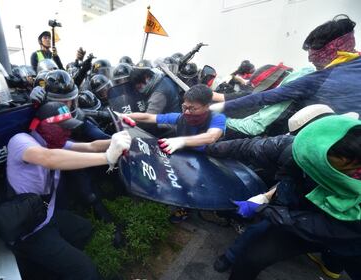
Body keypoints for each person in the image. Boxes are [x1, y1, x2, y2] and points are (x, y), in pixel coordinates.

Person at [210, 113, 361, 280]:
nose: (352, 173)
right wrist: (208, 148)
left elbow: (334, 227)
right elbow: (249, 147)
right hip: (296, 218)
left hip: (349, 237)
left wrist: (265, 210)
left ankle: (332, 262)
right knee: (252, 259)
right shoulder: (304, 149)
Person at [7, 101, 131, 280]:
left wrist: (118, 140)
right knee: (85, 271)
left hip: (47, 215)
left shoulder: (54, 143)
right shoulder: (20, 141)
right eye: (63, 127)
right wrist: (107, 158)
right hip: (29, 229)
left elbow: (91, 146)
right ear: (43, 126)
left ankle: (54, 266)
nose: (68, 132)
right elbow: (48, 158)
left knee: (85, 229)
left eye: (69, 127)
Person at [210, 15, 361, 117]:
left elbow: (263, 97)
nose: (310, 60)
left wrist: (211, 109)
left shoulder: (319, 79)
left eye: (314, 56)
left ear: (329, 49)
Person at [127, 84, 226, 154]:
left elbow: (211, 137)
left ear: (206, 106)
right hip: (186, 157)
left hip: (211, 160)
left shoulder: (217, 118)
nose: (187, 112)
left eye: (192, 109)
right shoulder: (180, 117)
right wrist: (125, 116)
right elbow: (149, 117)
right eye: (185, 107)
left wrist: (181, 141)